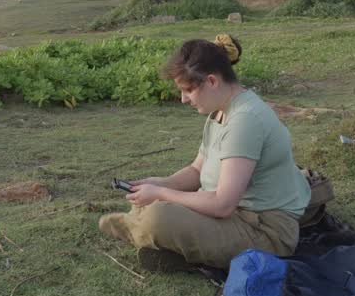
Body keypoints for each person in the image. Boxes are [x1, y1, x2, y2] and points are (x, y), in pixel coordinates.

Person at [98, 34, 311, 270]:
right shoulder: (221, 111)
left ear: (211, 81)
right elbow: (196, 169)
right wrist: (162, 183)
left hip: (264, 230)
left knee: (156, 217)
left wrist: (161, 193)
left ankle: (142, 232)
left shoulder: (245, 120)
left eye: (188, 90)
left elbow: (222, 204)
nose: (183, 99)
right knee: (151, 204)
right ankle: (172, 247)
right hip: (236, 216)